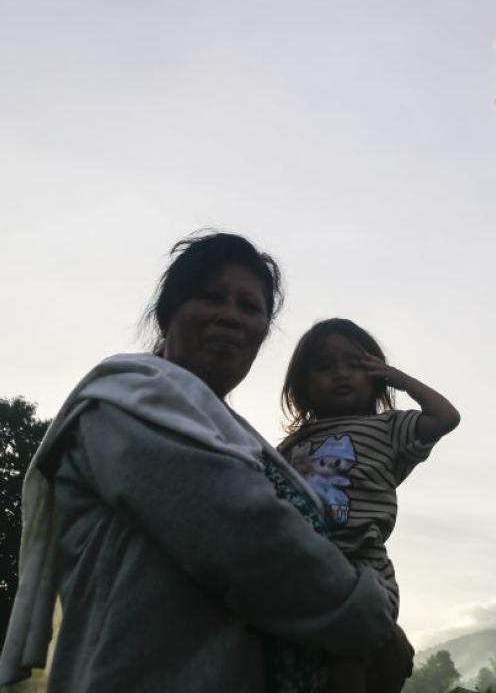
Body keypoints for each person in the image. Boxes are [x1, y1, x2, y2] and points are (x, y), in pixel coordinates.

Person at [0, 233, 393, 692]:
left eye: (250, 307)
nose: (230, 315)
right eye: (211, 297)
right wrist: (372, 622)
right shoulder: (126, 404)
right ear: (170, 312)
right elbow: (248, 541)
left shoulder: (238, 436)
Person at [280, 318, 461, 693]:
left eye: (355, 365)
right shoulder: (290, 446)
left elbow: (446, 417)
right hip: (302, 569)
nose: (341, 375)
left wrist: (400, 379)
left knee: (349, 656)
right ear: (303, 386)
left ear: (375, 377)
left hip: (363, 570)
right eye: (325, 367)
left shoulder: (388, 428)